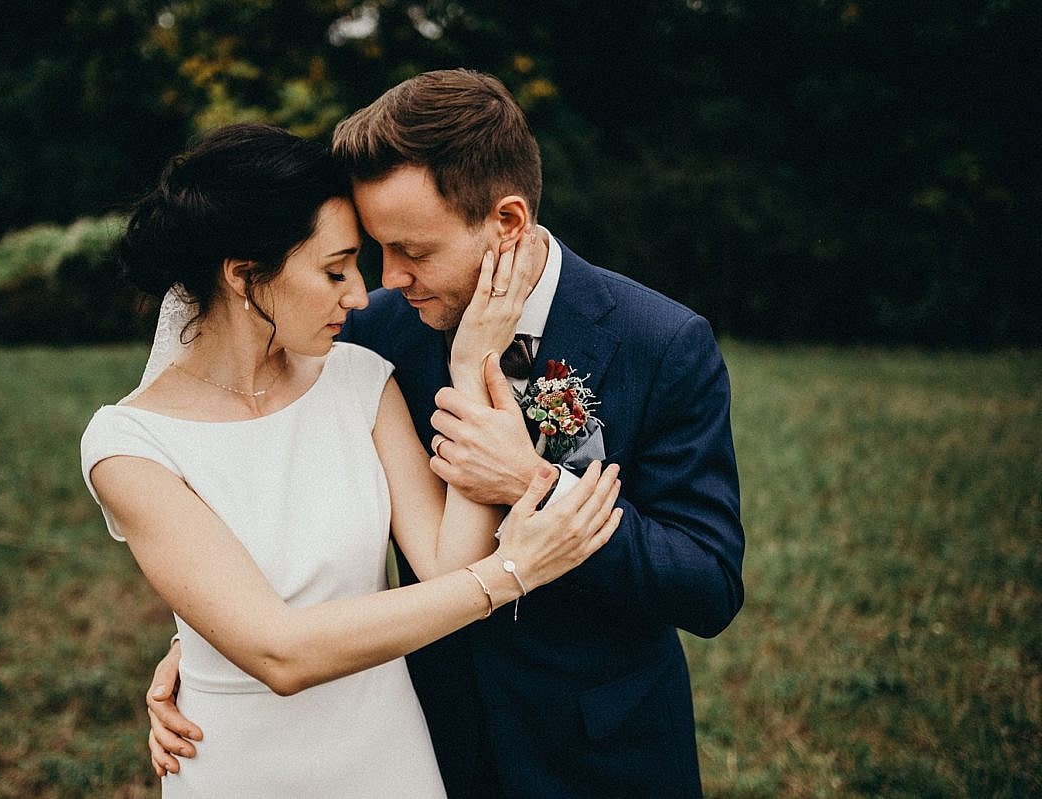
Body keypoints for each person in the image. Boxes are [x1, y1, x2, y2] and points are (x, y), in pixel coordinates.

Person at [147, 71, 746, 797]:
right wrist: (204, 641)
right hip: (428, 740)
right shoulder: (373, 334)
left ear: (508, 223)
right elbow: (273, 479)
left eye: (414, 251)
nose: (387, 278)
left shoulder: (659, 341)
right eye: (375, 249)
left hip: (600, 752)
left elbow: (709, 585)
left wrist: (536, 484)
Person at [79, 122, 624, 797]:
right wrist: (513, 571)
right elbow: (280, 650)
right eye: (335, 269)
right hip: (242, 765)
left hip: (388, 755)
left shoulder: (358, 378)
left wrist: (468, 362)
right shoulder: (130, 444)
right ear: (246, 276)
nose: (363, 294)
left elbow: (443, 567)